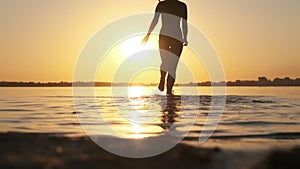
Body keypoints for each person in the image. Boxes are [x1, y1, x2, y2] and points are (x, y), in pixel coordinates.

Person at [142, 0, 188, 95]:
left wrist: (185, 37)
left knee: (169, 64)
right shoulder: (178, 5)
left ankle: (168, 89)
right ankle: (165, 85)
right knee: (170, 65)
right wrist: (148, 34)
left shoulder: (165, 5)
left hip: (170, 38)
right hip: (172, 37)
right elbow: (155, 20)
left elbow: (184, 23)